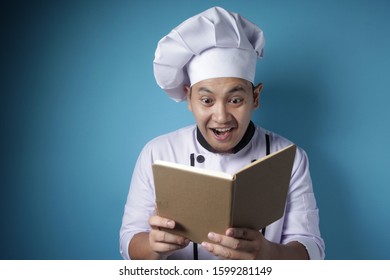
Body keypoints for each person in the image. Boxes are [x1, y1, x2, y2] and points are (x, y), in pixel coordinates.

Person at [119, 6, 325, 260]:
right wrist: (153, 245)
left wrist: (267, 252)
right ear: (189, 98)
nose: (221, 116)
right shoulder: (158, 153)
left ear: (255, 97)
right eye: (207, 100)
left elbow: (312, 251)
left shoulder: (290, 157)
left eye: (235, 99)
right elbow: (129, 240)